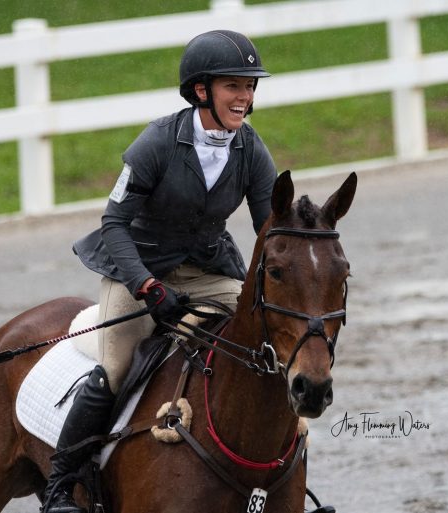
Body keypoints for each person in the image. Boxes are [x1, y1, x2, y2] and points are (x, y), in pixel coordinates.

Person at [41, 29, 277, 513]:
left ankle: (281, 474)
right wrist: (146, 286)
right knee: (115, 368)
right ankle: (61, 486)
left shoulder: (251, 149)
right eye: (234, 85)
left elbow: (269, 229)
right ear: (201, 90)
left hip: (208, 271)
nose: (246, 96)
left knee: (268, 339)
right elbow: (114, 222)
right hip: (138, 266)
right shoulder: (158, 142)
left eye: (250, 86)